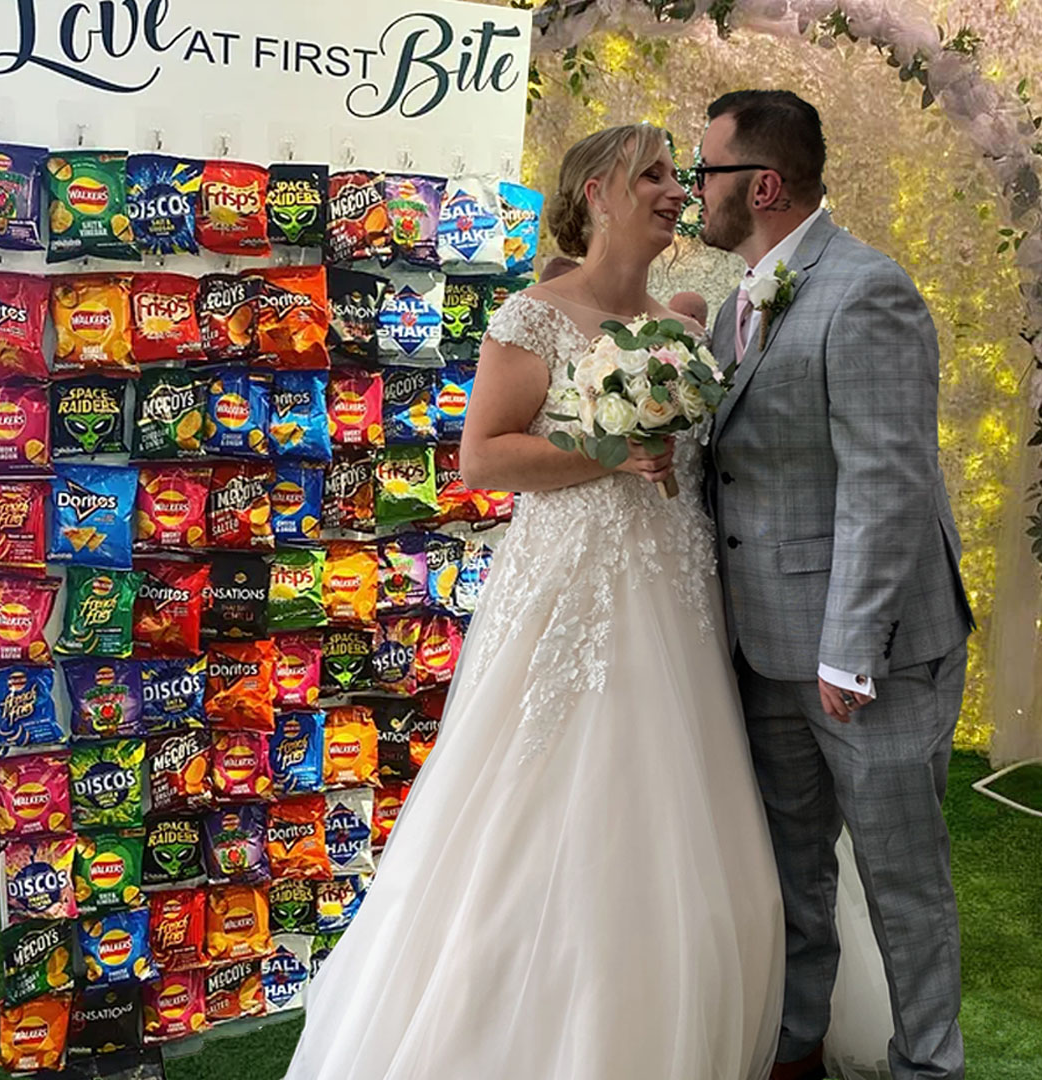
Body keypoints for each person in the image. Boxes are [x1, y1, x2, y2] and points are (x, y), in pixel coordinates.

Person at [284, 123, 787, 1079]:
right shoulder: (533, 317)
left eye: (680, 177)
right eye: (654, 175)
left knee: (679, 806)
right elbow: (483, 457)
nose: (676, 191)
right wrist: (604, 451)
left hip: (675, 592)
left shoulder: (686, 327)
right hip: (570, 593)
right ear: (597, 192)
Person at [697, 90, 975, 1080]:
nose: (696, 192)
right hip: (763, 647)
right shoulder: (741, 296)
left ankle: (927, 1068)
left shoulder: (868, 292)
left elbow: (888, 483)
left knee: (903, 883)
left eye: (707, 172)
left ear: (761, 185)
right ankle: (794, 1049)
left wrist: (848, 650)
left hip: (873, 658)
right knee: (792, 873)